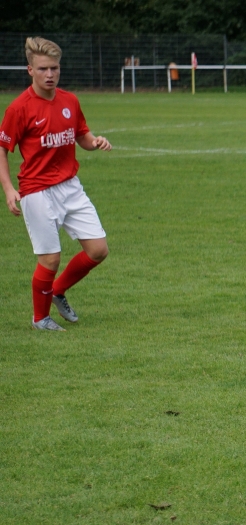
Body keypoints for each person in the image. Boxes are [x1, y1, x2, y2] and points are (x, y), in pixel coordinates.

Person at [0, 37, 112, 332]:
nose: (50, 74)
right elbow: (2, 149)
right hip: (37, 190)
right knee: (50, 259)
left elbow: (82, 135)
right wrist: (9, 189)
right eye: (43, 69)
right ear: (30, 70)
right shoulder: (19, 108)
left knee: (98, 250)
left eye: (55, 68)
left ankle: (58, 291)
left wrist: (95, 142)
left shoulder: (69, 101)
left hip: (70, 186)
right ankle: (40, 319)